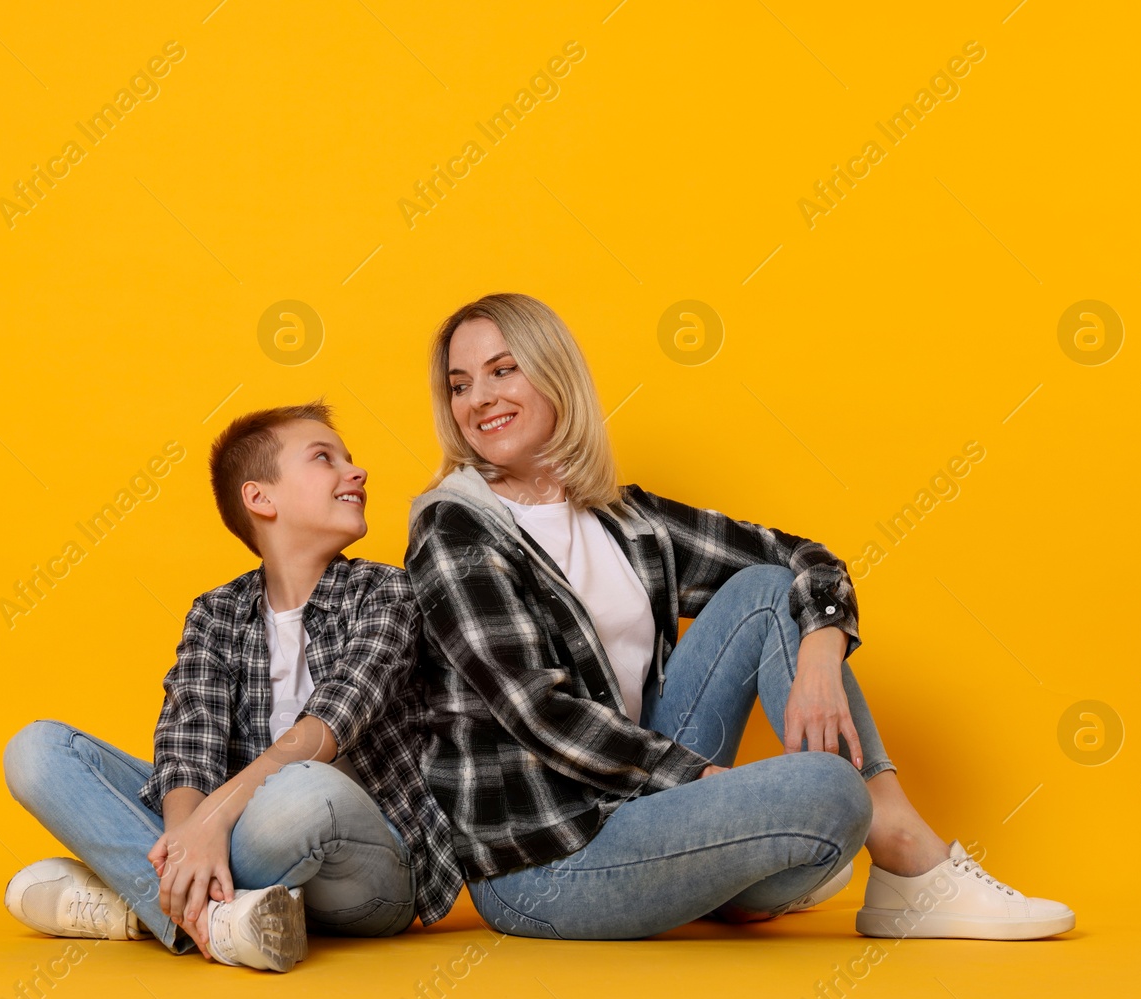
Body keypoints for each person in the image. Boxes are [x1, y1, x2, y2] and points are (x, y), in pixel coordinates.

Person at [403, 292, 1074, 941]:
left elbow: (805, 557)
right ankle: (821, 852)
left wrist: (820, 648)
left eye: (502, 369)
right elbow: (536, 710)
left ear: (554, 371)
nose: (479, 398)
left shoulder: (625, 518)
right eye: (460, 384)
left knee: (766, 588)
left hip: (638, 807)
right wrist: (702, 781)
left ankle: (903, 858)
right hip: (543, 860)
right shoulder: (454, 526)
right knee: (829, 794)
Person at [2, 401, 461, 971]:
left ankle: (145, 905)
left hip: (365, 868)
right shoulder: (216, 612)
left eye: (350, 459)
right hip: (237, 837)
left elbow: (331, 723)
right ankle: (224, 919)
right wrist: (186, 840)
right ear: (260, 498)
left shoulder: (386, 592)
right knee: (37, 750)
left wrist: (213, 821)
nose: (356, 471)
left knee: (301, 790)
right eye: (325, 458)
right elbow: (188, 739)